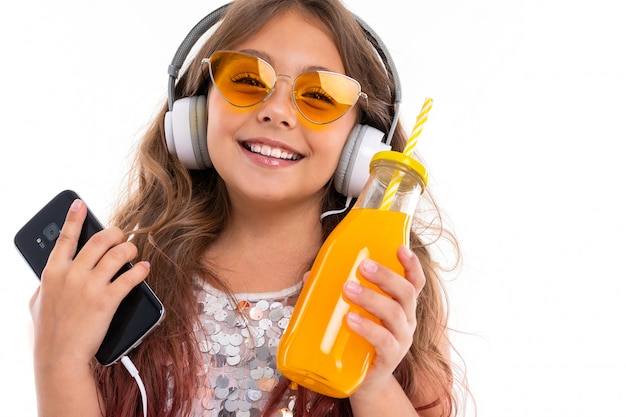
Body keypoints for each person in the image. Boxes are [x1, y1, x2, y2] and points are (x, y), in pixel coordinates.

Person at [28, 0, 465, 416]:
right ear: (196, 111)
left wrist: (373, 382)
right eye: (248, 80)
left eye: (319, 95)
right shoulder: (129, 277)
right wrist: (58, 358)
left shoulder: (388, 289)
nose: (277, 112)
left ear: (360, 141)